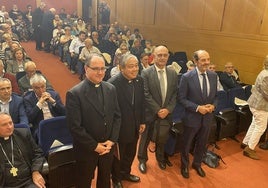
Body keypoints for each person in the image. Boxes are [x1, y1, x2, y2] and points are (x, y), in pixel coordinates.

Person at [66, 53, 121, 188]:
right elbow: (75, 127)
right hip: (86, 150)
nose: (100, 72)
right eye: (96, 68)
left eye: (103, 68)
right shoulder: (74, 94)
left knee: (104, 181)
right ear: (86, 69)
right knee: (83, 182)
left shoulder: (110, 88)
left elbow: (117, 116)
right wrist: (95, 146)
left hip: (107, 148)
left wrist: (112, 140)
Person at [137, 45, 177, 173]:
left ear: (168, 57)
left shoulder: (172, 72)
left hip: (166, 113)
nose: (162, 58)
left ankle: (160, 159)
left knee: (162, 137)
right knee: (145, 138)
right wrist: (158, 110)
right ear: (153, 56)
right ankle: (142, 160)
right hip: (150, 113)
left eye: (165, 55)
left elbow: (175, 94)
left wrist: (168, 109)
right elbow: (145, 93)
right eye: (159, 55)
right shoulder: (146, 72)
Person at [179, 50, 218, 179]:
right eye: (203, 60)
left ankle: (197, 164)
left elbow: (216, 96)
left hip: (207, 118)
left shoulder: (213, 76)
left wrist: (213, 105)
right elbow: (182, 99)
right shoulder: (186, 77)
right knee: (186, 144)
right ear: (195, 61)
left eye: (208, 59)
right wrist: (197, 108)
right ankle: (184, 165)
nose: (207, 62)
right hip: (192, 117)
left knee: (202, 142)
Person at [108, 54, 145, 188]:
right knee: (119, 156)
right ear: (121, 68)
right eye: (131, 67)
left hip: (135, 126)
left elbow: (141, 103)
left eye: (136, 66)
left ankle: (126, 173)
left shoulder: (139, 80)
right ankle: (116, 178)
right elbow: (109, 111)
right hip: (120, 129)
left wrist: (142, 121)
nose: (135, 69)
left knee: (130, 153)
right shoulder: (112, 84)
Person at [0, 113, 46, 187]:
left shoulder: (23, 134)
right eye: (4, 125)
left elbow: (38, 154)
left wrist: (35, 172)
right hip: (5, 184)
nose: (9, 127)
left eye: (10, 123)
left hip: (28, 180)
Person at [241, 56, 268, 160]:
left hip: (256, 104)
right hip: (261, 106)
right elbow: (266, 94)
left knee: (255, 124)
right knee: (260, 127)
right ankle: (249, 149)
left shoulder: (264, 72)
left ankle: (246, 142)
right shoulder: (266, 75)